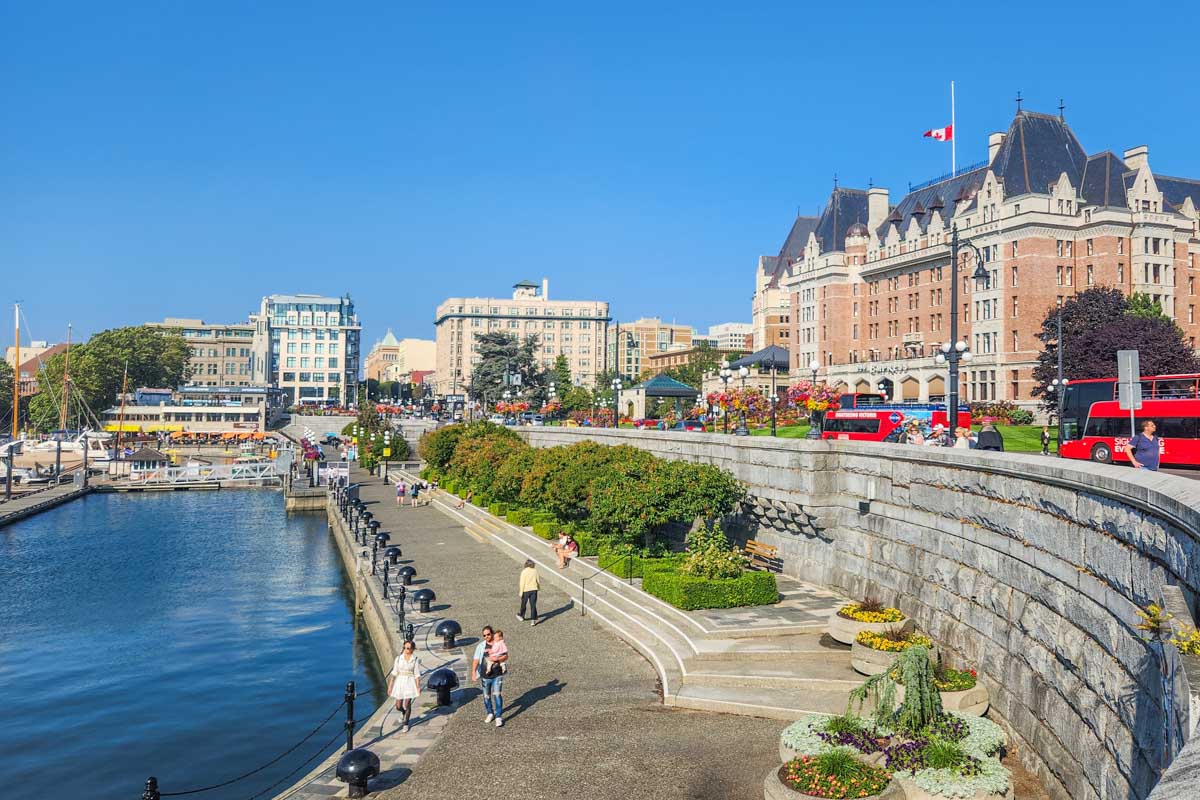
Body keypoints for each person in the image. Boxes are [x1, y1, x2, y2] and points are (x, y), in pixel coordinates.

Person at [387, 639, 422, 733]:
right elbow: (394, 673)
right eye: (405, 648)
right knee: (398, 706)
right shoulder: (398, 659)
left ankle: (406, 723)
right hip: (400, 682)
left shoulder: (415, 659)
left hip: (410, 681)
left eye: (408, 648)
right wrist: (390, 686)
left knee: (407, 704)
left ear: (412, 649)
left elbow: (417, 674)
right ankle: (403, 713)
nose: (406, 650)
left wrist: (418, 686)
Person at [517, 559, 540, 625]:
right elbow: (537, 580)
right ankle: (533, 620)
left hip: (526, 590)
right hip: (534, 590)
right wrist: (538, 588)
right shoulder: (535, 571)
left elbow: (522, 583)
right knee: (533, 605)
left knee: (523, 604)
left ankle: (522, 616)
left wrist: (521, 592)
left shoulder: (524, 572)